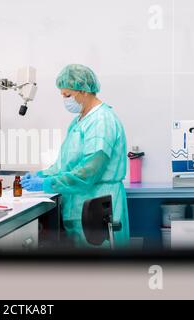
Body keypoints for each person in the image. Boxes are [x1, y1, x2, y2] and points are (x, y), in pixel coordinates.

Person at [21, 64, 130, 248]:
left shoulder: (101, 121)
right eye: (62, 95)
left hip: (97, 205)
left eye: (68, 95)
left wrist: (47, 184)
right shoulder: (80, 121)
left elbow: (89, 171)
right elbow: (65, 165)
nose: (65, 100)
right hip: (80, 206)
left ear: (84, 91)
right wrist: (42, 175)